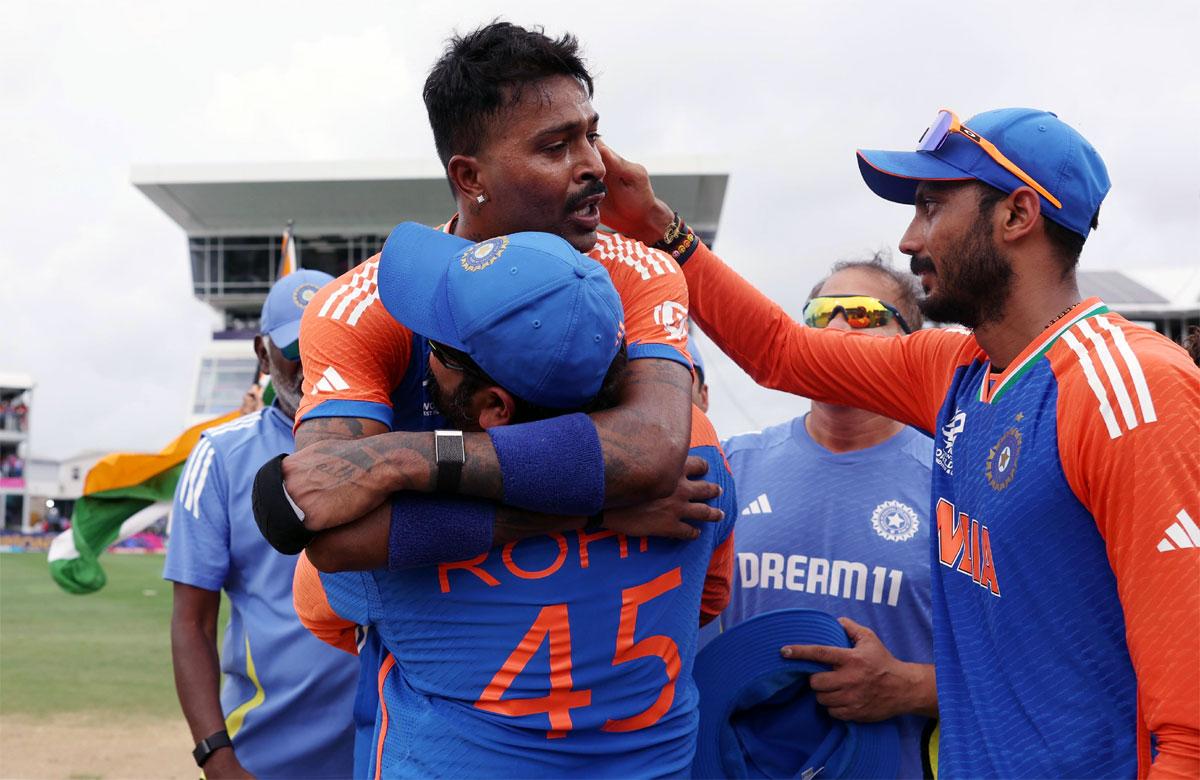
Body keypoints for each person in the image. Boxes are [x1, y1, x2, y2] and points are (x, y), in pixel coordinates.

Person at [599, 108, 1200, 777]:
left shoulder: (1131, 391)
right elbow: (779, 351)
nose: (910, 240)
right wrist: (656, 227)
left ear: (1018, 214)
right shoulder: (956, 370)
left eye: (931, 206)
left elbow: (1191, 729)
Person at [256, 21, 724, 580]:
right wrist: (596, 506)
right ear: (470, 176)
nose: (595, 166)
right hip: (431, 657)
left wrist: (401, 461)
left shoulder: (639, 271)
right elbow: (333, 534)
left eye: (591, 137)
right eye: (556, 147)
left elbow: (651, 453)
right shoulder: (359, 305)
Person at [292, 224, 737, 776]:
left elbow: (320, 604)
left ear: (495, 408)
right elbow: (709, 599)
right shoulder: (696, 457)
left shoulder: (389, 538)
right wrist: (594, 522)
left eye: (439, 349)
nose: (425, 358)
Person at [712, 255, 936, 779]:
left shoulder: (954, 484)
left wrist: (908, 686)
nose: (835, 328)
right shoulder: (730, 465)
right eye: (819, 315)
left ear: (912, 345)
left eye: (861, 315)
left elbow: (1024, 672)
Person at [164, 269, 360, 779]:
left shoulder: (388, 440)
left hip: (382, 749)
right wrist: (215, 755)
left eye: (325, 345)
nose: (310, 367)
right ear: (262, 353)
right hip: (265, 755)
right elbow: (192, 621)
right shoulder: (221, 456)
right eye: (296, 350)